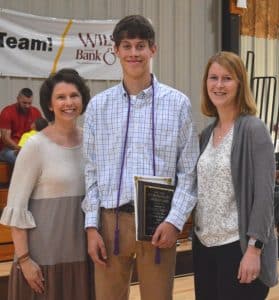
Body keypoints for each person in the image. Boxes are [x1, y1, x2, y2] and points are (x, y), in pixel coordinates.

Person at [82, 15, 199, 300]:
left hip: (158, 222)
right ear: (116, 51)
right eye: (127, 46)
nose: (134, 53)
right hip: (111, 223)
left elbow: (189, 172)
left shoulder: (178, 103)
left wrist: (175, 220)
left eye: (141, 46)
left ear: (153, 50)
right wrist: (91, 226)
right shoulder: (98, 106)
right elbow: (91, 171)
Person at [0, 69, 94, 300]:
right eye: (61, 97)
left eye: (74, 95)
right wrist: (24, 260)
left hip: (83, 259)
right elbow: (16, 207)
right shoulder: (35, 146)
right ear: (50, 105)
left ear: (82, 100)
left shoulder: (92, 142)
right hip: (42, 263)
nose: (68, 102)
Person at [192, 51, 278, 300]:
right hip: (205, 248)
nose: (218, 85)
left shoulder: (253, 130)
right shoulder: (207, 134)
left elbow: (264, 197)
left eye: (227, 78)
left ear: (240, 84)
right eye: (213, 78)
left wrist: (254, 249)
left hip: (238, 249)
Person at [0, 88, 42, 165]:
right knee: (22, 159)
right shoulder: (7, 112)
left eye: (30, 103)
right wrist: (21, 149)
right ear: (18, 99)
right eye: (24, 103)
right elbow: (5, 139)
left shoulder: (36, 112)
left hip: (28, 150)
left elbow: (42, 134)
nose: (27, 106)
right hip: (8, 149)